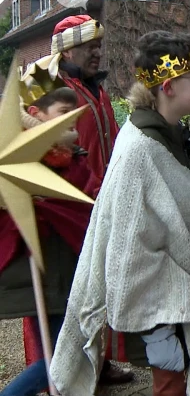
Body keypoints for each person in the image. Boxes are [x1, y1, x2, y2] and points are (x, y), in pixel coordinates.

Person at [49, 31, 190, 396]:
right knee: (172, 388)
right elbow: (126, 252)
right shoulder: (138, 150)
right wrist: (182, 287)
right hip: (166, 312)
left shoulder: (183, 138)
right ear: (168, 86)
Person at [20, 13, 130, 385]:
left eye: (99, 46)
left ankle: (97, 365)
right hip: (63, 204)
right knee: (61, 295)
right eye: (89, 46)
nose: (97, 53)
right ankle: (54, 373)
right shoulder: (41, 81)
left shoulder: (96, 89)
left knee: (97, 287)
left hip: (98, 201)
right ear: (67, 48)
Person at [0, 69, 101, 396]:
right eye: (62, 114)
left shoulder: (73, 157)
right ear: (35, 115)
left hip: (66, 273)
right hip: (43, 278)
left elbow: (87, 204)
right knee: (59, 363)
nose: (72, 121)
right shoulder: (25, 164)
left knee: (60, 360)